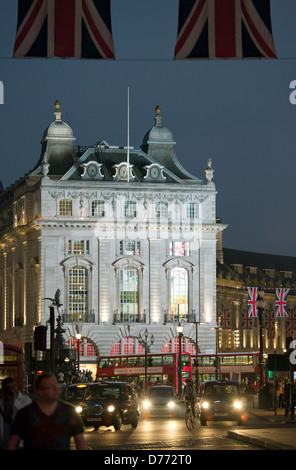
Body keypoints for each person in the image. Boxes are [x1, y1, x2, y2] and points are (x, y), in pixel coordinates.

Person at [7, 373, 86, 450]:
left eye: (56, 385)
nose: (56, 389)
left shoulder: (69, 412)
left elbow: (80, 442)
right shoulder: (25, 414)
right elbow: (13, 443)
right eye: (50, 387)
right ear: (40, 391)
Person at [0, 377, 32, 450]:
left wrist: (14, 401)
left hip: (20, 441)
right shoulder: (2, 400)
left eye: (13, 387)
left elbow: (26, 415)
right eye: (9, 388)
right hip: (4, 440)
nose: (12, 389)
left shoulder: (25, 399)